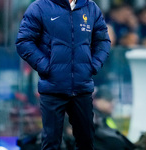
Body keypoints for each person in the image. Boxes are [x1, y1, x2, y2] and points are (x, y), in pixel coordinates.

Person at [16, 0, 111, 149]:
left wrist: (93, 66)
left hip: (82, 88)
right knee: (51, 143)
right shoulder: (40, 7)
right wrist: (47, 67)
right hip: (53, 88)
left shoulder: (90, 7)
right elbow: (24, 41)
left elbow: (103, 41)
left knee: (86, 142)